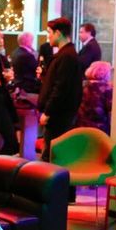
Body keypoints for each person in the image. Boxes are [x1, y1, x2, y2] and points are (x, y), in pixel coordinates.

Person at [38, 17, 81, 161]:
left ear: (58, 33)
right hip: (60, 115)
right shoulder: (66, 54)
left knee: (52, 157)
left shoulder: (66, 56)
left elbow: (61, 88)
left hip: (58, 117)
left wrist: (48, 112)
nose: (48, 36)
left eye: (49, 32)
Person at [77, 60, 113, 134]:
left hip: (81, 127)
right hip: (100, 130)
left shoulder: (82, 86)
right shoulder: (107, 89)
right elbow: (112, 111)